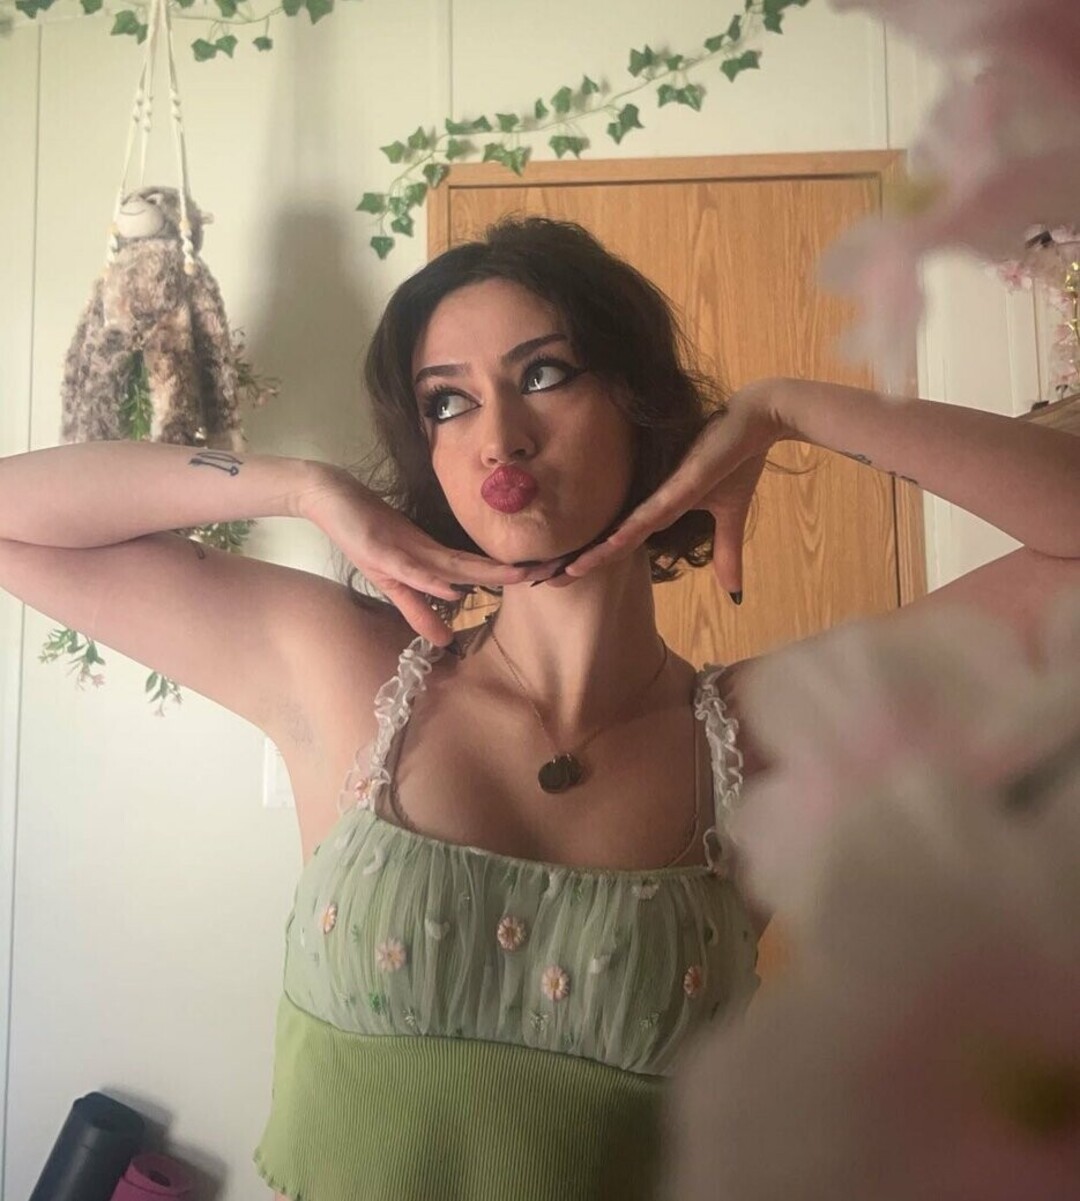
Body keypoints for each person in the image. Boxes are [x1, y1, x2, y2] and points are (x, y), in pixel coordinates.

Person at [0, 217, 1077, 1201]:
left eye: (545, 373)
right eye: (447, 401)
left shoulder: (770, 738)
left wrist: (792, 408)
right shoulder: (343, 670)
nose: (498, 436)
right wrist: (301, 487)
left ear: (639, 404)